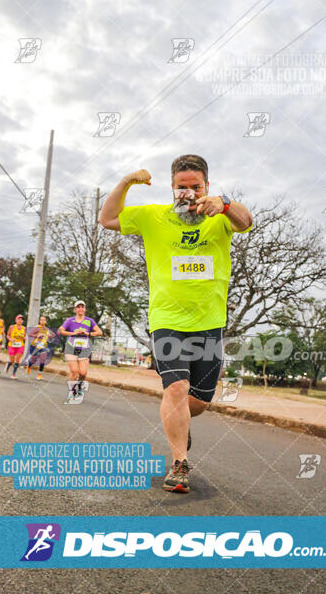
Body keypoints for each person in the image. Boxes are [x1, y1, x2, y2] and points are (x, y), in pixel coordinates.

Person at [99, 154, 253, 493]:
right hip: (167, 319)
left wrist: (224, 204)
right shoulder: (153, 216)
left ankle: (180, 425)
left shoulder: (221, 215)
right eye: (182, 188)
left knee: (198, 401)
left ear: (206, 186)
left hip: (210, 322)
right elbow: (107, 218)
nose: (189, 193)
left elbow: (245, 222)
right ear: (172, 188)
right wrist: (126, 182)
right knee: (177, 389)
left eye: (195, 187)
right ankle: (180, 463)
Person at [58, 301, 102, 398]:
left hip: (84, 349)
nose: (80, 309)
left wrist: (88, 333)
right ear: (75, 310)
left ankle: (79, 385)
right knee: (74, 371)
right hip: (71, 347)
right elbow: (60, 330)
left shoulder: (89, 321)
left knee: (83, 373)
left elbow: (99, 332)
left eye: (82, 307)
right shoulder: (70, 320)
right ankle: (72, 391)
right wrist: (73, 333)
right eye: (78, 307)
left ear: (85, 309)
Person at [26, 316, 55, 380]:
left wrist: (51, 336)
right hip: (35, 346)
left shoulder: (47, 329)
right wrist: (37, 336)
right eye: (41, 320)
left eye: (44, 320)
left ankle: (39, 375)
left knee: (43, 360)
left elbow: (48, 336)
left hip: (43, 346)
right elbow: (30, 334)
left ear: (46, 321)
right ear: (40, 321)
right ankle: (29, 365)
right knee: (34, 360)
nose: (43, 321)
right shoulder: (37, 328)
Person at [5, 315, 26, 379]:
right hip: (12, 345)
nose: (20, 321)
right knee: (12, 360)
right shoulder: (12, 327)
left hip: (20, 345)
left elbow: (24, 337)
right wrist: (11, 339)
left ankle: (13, 374)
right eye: (18, 319)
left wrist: (24, 338)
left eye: (21, 319)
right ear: (16, 320)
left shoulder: (24, 328)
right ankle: (9, 363)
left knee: (17, 360)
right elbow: (8, 335)